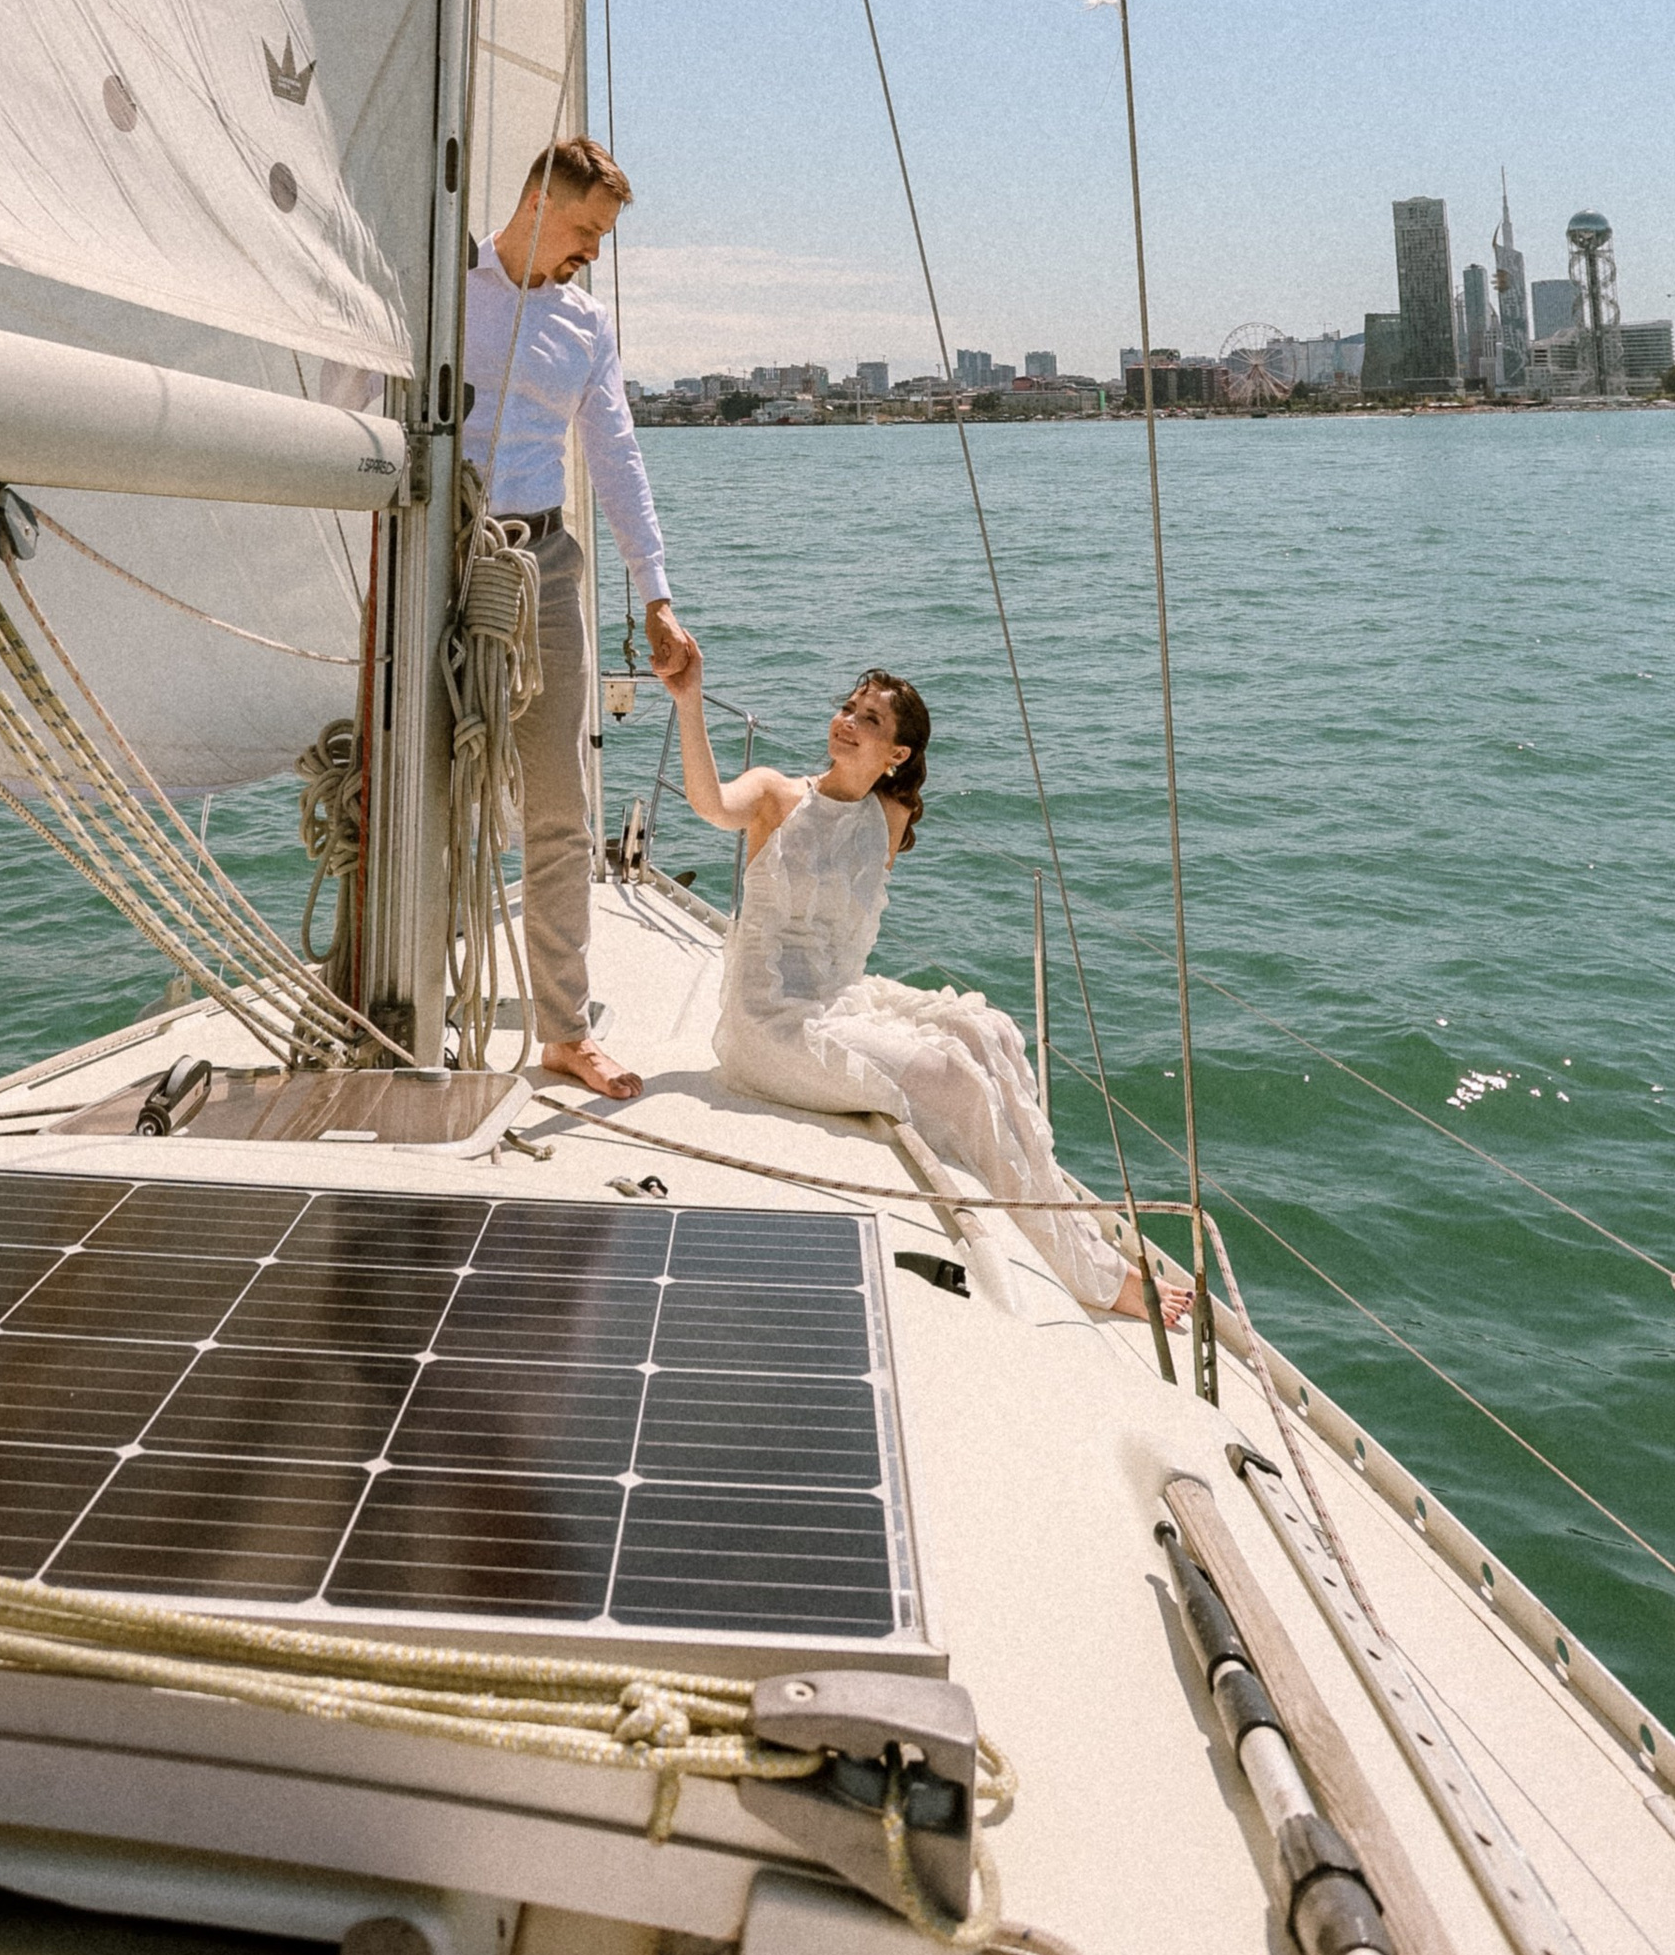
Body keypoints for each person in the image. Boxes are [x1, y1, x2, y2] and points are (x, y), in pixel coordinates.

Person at [660, 639, 1191, 1327]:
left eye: (870, 720)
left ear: (898, 754)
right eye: (848, 708)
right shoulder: (776, 795)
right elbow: (707, 801)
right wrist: (689, 700)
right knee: (956, 1078)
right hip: (770, 1024)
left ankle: (1070, 1228)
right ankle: (1094, 1275)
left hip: (838, 1001)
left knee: (991, 1033)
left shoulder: (890, 815)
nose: (846, 721)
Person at [461, 136, 692, 1101]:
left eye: (602, 237)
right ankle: (396, 1002)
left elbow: (618, 455)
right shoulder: (444, 289)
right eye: (586, 230)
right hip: (446, 555)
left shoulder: (585, 325)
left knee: (562, 810)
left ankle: (562, 1028)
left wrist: (656, 593)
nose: (591, 251)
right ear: (535, 203)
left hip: (546, 560)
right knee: (423, 790)